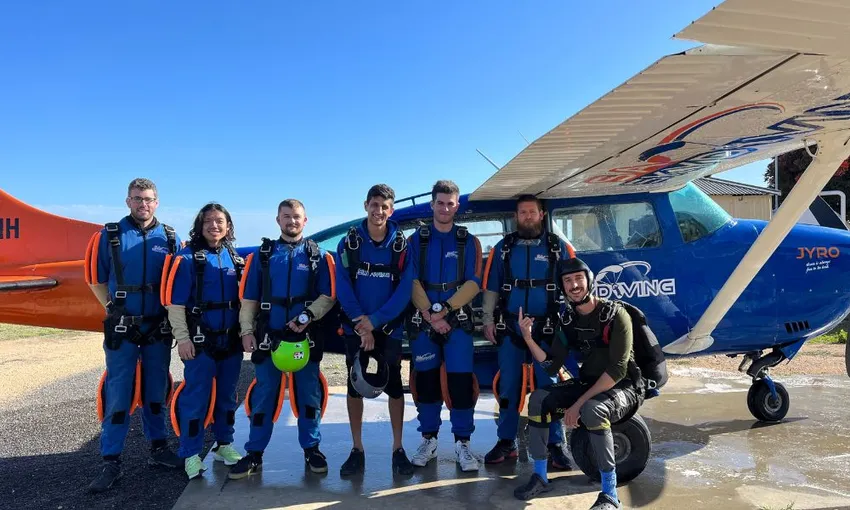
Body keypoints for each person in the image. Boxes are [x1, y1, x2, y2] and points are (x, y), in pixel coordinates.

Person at [513, 257, 643, 510]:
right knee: (538, 400)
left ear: (589, 280)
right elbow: (551, 364)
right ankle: (540, 476)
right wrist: (528, 338)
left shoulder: (617, 315)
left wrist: (578, 404)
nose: (574, 285)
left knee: (592, 410)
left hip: (625, 386)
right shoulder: (569, 320)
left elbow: (617, 369)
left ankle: (609, 492)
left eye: (578, 279)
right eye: (567, 281)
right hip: (590, 384)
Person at [84, 178, 182, 493]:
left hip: (157, 327)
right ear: (128, 201)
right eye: (138, 199)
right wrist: (113, 308)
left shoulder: (169, 237)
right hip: (122, 326)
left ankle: (159, 450)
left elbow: (178, 282)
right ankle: (110, 462)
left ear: (157, 202)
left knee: (156, 391)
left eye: (149, 199)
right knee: (119, 394)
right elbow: (96, 279)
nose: (144, 204)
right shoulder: (109, 235)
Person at [227, 198, 337, 479]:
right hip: (268, 338)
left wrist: (308, 316)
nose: (292, 221)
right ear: (278, 220)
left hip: (305, 337)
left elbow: (328, 296)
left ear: (306, 220)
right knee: (264, 396)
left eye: (297, 216)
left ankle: (312, 448)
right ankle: (254, 452)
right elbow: (248, 298)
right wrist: (247, 331)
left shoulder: (318, 257)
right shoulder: (262, 256)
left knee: (308, 395)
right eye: (286, 216)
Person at [480, 194, 572, 468]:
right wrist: (487, 320)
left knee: (550, 387)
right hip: (511, 329)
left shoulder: (559, 248)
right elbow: (492, 287)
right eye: (523, 212)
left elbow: (574, 284)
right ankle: (506, 442)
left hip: (547, 329)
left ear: (541, 214)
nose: (528, 217)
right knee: (509, 386)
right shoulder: (503, 248)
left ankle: (556, 445)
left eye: (532, 212)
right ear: (516, 216)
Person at [334, 183, 415, 476]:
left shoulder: (401, 245)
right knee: (355, 384)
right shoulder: (350, 243)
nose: (379, 211)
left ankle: (398, 448)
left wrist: (376, 321)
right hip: (357, 326)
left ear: (390, 210)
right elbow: (342, 284)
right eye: (374, 204)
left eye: (384, 206)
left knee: (394, 385)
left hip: (388, 326)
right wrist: (361, 323)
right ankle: (357, 449)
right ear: (366, 205)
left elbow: (405, 290)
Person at [163, 203, 245, 479]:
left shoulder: (233, 257)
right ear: (200, 226)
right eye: (208, 221)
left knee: (226, 397)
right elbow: (174, 305)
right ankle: (190, 453)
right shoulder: (187, 259)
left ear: (228, 226)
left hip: (230, 341)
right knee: (196, 399)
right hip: (200, 342)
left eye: (220, 221)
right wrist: (183, 339)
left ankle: (224, 444)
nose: (214, 226)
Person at [405, 180, 483, 472]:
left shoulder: (467, 241)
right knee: (425, 383)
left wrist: (445, 310)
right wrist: (428, 312)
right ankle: (429, 439)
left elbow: (474, 282)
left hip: (457, 322)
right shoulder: (417, 240)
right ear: (432, 204)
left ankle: (463, 444)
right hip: (424, 321)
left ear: (457, 206)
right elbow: (410, 278)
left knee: (461, 383)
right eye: (440, 202)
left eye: (451, 203)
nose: (445, 208)